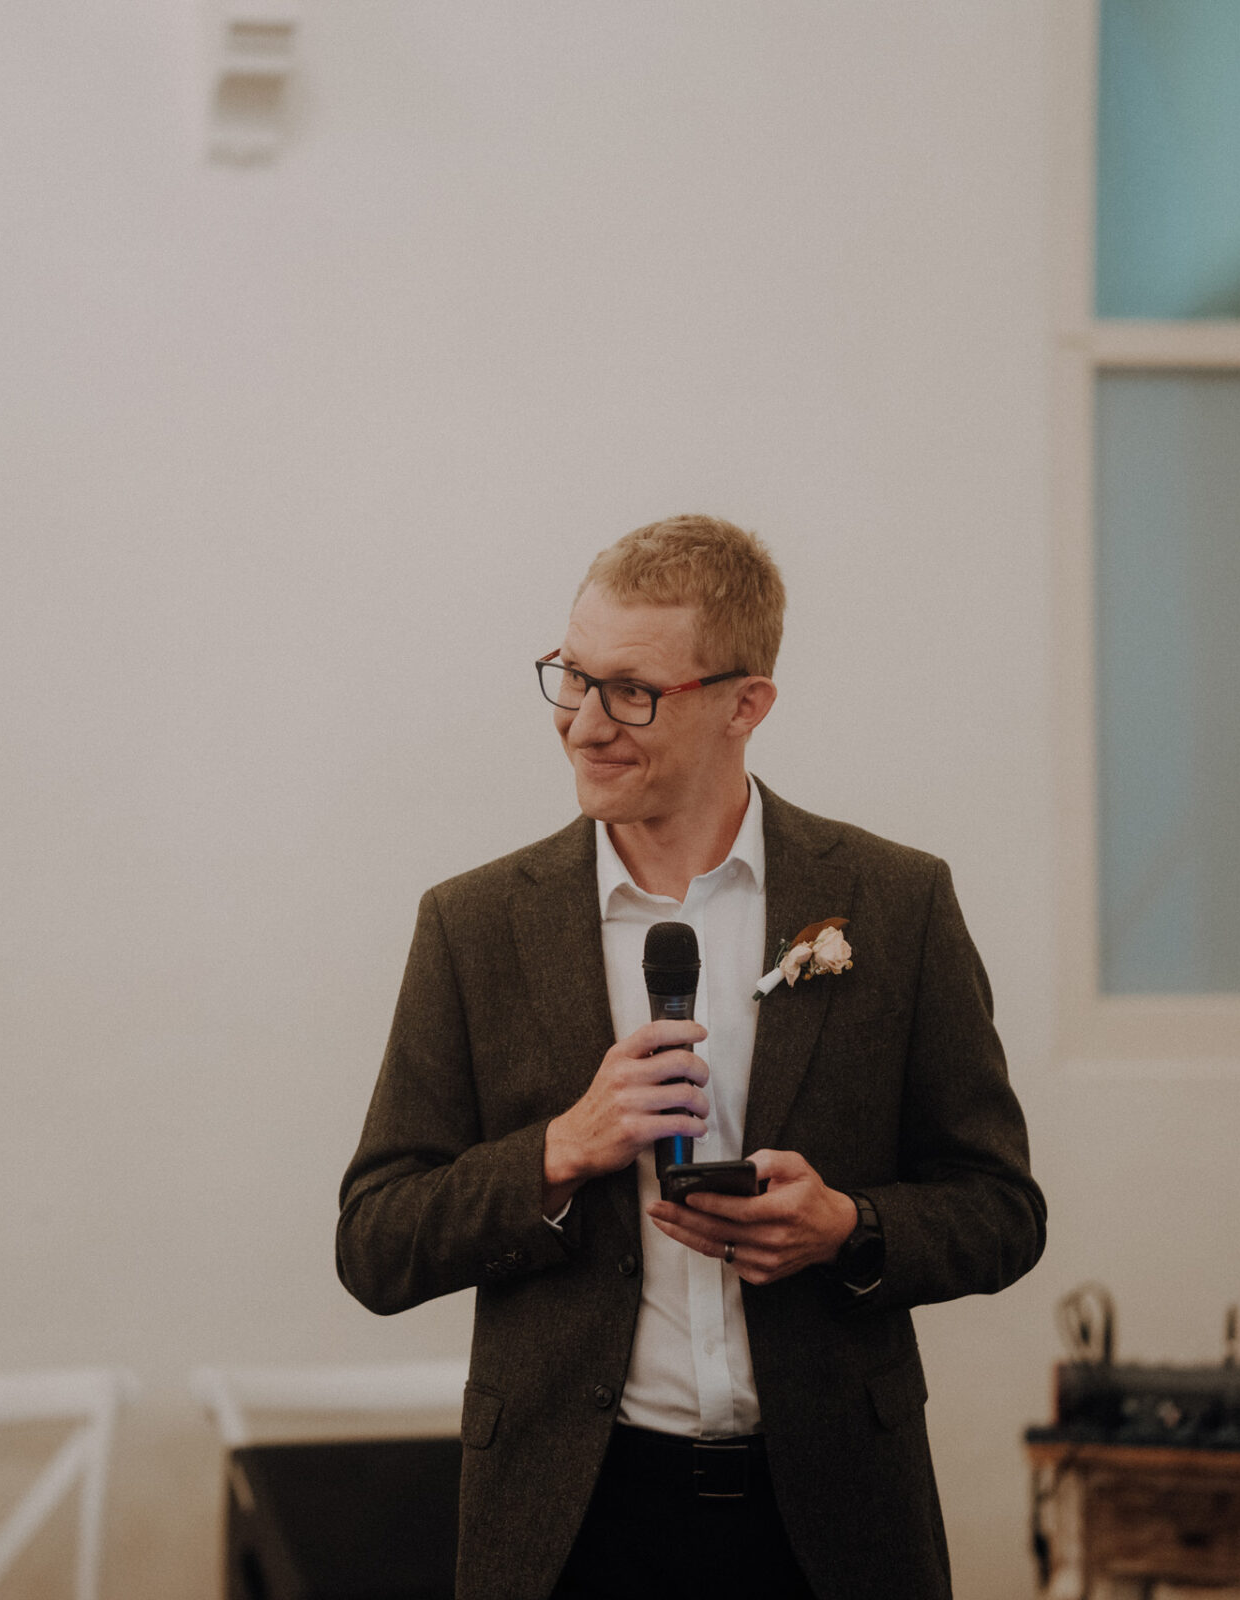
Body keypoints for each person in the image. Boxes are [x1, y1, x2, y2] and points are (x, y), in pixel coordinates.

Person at [336, 515, 1045, 1600]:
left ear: (744, 704)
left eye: (632, 691)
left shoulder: (894, 904)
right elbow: (376, 1240)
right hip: (573, 1526)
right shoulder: (474, 925)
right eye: (571, 677)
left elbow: (1002, 1208)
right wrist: (560, 1151)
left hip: (829, 1522)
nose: (583, 723)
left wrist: (846, 1228)